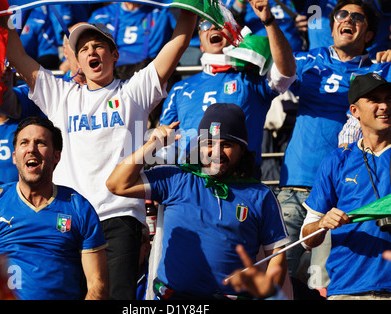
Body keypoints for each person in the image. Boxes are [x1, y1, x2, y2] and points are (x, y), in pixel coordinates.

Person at [0, 8, 197, 300]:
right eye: (84, 48)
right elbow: (17, 55)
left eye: (99, 45)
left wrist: (190, 12)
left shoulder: (133, 93)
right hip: (69, 216)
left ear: (114, 54)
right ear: (77, 61)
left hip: (118, 216)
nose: (92, 51)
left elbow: (177, 43)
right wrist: (0, 13)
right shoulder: (61, 95)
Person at [106, 103, 290, 299]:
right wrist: (152, 146)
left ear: (242, 149)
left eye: (226, 144)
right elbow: (116, 184)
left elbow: (277, 255)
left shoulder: (261, 195)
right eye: (209, 143)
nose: (216, 152)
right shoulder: (176, 178)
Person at [277, 0, 391, 281]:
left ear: (368, 35)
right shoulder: (307, 60)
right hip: (297, 185)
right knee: (276, 281)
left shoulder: (381, 72)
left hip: (345, 196)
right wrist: (269, 22)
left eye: (357, 17)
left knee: (327, 284)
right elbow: (278, 79)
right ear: (332, 26)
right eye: (342, 14)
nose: (347, 19)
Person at [159, 0, 296, 179]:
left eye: (221, 24)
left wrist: (268, 21)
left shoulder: (251, 79)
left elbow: (286, 74)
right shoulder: (180, 88)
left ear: (235, 35)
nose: (213, 28)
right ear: (200, 43)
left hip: (241, 180)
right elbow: (164, 141)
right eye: (206, 24)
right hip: (190, 181)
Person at [0, 117, 108, 300]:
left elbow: (98, 285)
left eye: (40, 143)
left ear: (56, 156)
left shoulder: (79, 208)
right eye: (24, 143)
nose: (31, 149)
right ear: (14, 157)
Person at [301, 73, 391, 300]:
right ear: (354, 111)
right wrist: (323, 223)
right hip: (348, 289)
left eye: (389, 99)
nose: (384, 106)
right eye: (374, 99)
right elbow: (306, 239)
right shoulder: (336, 160)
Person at [88, 2, 176, 80]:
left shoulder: (162, 11)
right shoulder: (101, 15)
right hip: (112, 75)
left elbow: (185, 38)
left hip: (150, 75)